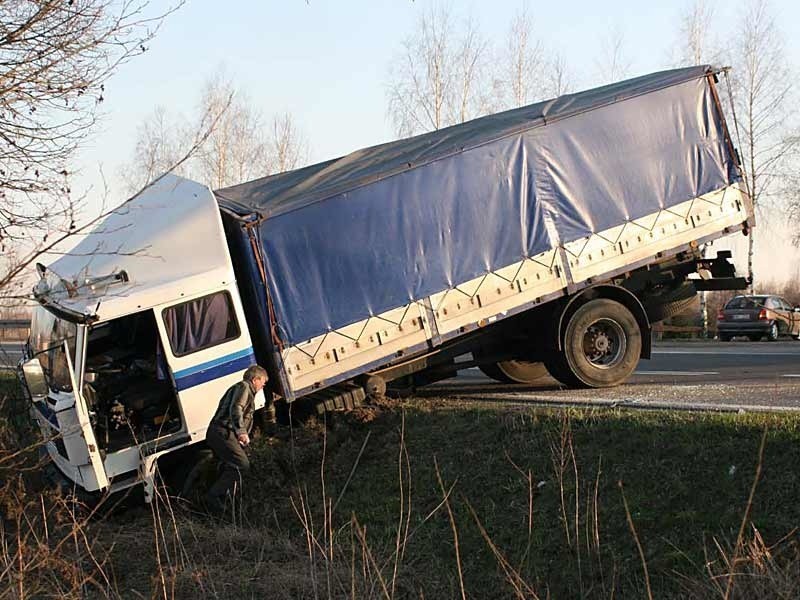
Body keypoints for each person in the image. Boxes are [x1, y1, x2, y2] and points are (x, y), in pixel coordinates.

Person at [204, 364, 268, 512]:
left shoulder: (242, 388)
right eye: (263, 381)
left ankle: (223, 499)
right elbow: (236, 408)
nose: (263, 385)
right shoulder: (244, 387)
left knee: (229, 465)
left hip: (220, 432)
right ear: (255, 379)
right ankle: (214, 497)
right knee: (241, 464)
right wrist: (241, 432)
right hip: (222, 432)